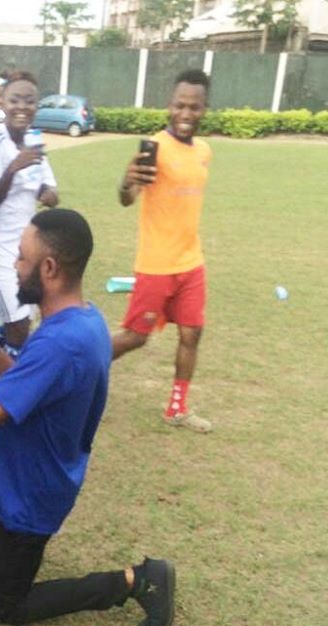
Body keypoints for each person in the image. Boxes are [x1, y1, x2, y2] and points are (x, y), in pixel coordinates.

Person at [0, 208, 175, 626]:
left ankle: (138, 581)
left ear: (49, 268)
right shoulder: (82, 319)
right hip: (26, 450)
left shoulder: (62, 341)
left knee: (10, 606)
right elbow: (30, 386)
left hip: (32, 490)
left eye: (22, 258)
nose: (13, 264)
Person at [113, 69, 213, 433]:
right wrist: (128, 181)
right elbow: (127, 198)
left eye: (194, 107)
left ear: (205, 109)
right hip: (156, 265)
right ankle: (74, 377)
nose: (186, 114)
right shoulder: (155, 148)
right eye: (179, 105)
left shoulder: (204, 151)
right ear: (170, 106)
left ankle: (177, 408)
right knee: (135, 337)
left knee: (192, 334)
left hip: (191, 262)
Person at [0, 70, 58, 355]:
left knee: (16, 325)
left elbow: (48, 189)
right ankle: (17, 395)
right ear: (3, 104)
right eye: (15, 100)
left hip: (26, 251)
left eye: (29, 101)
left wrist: (47, 194)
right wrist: (13, 169)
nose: (22, 107)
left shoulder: (34, 139)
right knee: (19, 326)